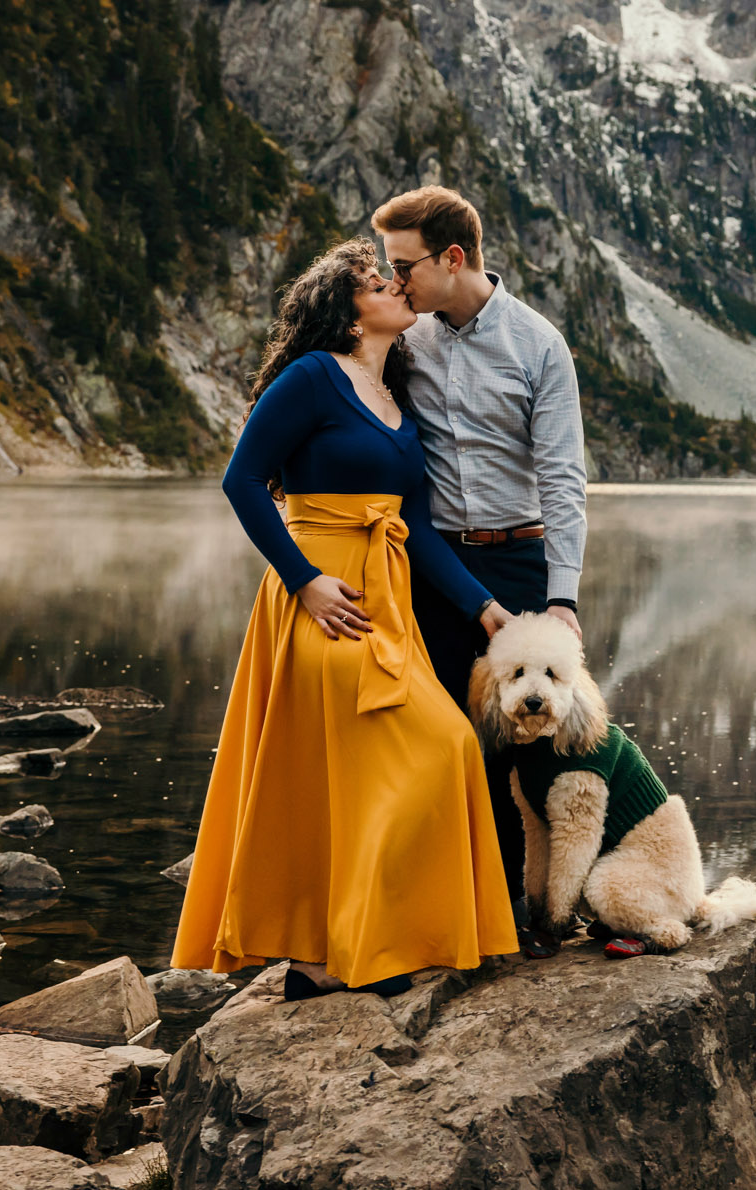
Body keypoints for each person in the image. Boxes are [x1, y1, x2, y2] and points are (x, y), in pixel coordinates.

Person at [170, 239, 519, 997]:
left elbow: (416, 529)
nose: (396, 287)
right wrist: (303, 582)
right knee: (384, 761)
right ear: (348, 310)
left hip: (384, 597)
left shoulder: (398, 401)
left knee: (448, 746)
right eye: (376, 281)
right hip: (321, 599)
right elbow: (242, 482)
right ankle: (317, 957)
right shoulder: (311, 378)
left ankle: (364, 942)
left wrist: (484, 608)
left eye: (393, 277)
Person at [371, 187, 588, 936]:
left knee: (534, 745)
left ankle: (542, 906)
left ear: (453, 258)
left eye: (404, 265)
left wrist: (562, 598)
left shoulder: (538, 344)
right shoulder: (409, 340)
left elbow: (562, 478)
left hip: (522, 565)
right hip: (435, 568)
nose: (394, 280)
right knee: (443, 736)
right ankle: (463, 907)